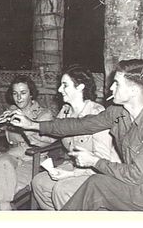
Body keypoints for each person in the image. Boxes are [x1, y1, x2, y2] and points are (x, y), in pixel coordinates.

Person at [10, 59, 143, 211]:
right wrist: (32, 125)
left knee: (96, 184)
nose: (111, 88)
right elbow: (79, 125)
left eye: (116, 83)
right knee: (90, 186)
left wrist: (94, 161)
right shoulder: (118, 112)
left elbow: (135, 175)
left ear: (134, 90)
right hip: (134, 182)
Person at [32, 66, 120, 210]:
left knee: (62, 189)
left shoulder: (97, 113)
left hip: (97, 172)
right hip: (74, 166)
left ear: (80, 87)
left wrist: (71, 174)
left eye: (65, 85)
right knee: (39, 183)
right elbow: (52, 136)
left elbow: (102, 160)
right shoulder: (65, 111)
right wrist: (27, 129)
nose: (59, 90)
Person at [0, 75, 56, 210]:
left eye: (23, 93)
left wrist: (24, 125)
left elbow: (46, 142)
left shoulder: (44, 115)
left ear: (31, 94)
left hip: (33, 161)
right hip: (10, 159)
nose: (19, 97)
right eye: (15, 93)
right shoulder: (11, 112)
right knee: (3, 162)